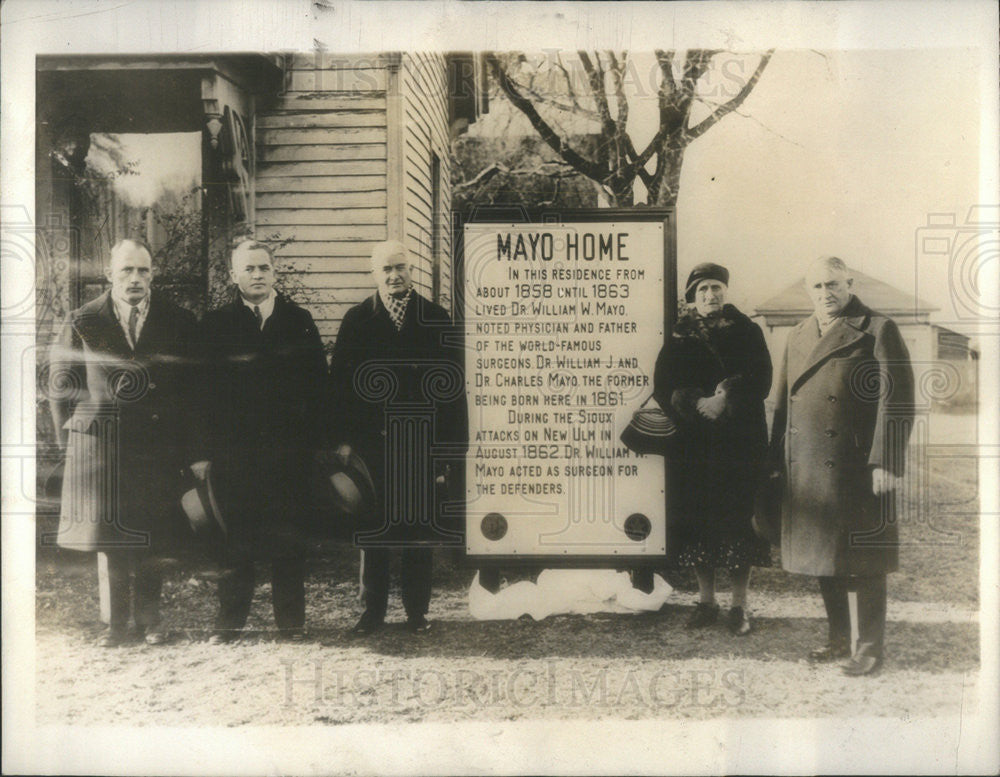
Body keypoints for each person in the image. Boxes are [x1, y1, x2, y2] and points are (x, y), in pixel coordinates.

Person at [48, 238, 199, 647]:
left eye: (143, 270)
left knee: (153, 535)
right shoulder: (83, 319)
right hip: (104, 448)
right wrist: (73, 445)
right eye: (127, 270)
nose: (136, 278)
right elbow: (61, 386)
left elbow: (192, 389)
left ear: (153, 274)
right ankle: (117, 627)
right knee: (113, 540)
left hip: (157, 445)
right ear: (110, 274)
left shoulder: (178, 321)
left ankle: (151, 621)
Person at [769, 256, 914, 675]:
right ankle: (837, 640)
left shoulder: (877, 329)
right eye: (816, 286)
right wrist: (775, 462)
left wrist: (885, 462)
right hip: (808, 468)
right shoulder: (797, 334)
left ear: (849, 283)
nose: (825, 294)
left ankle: (868, 648)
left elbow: (898, 400)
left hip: (857, 467)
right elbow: (782, 403)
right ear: (806, 290)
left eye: (833, 285)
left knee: (864, 560)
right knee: (824, 558)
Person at [328, 240, 468, 635]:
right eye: (386, 270)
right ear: (375, 274)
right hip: (370, 444)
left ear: (412, 270)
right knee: (373, 529)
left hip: (420, 444)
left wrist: (450, 447)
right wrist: (342, 439)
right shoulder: (357, 320)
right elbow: (338, 384)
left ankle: (416, 612)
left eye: (401, 267)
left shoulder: (435, 319)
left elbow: (454, 389)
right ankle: (371, 611)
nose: (394, 276)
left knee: (416, 531)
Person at [195, 239, 327, 643]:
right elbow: (198, 394)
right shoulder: (215, 325)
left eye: (264, 268)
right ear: (234, 275)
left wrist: (316, 446)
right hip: (236, 456)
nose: (257, 275)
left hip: (289, 455)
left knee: (289, 541)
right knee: (236, 542)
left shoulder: (299, 320)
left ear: (274, 273)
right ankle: (229, 625)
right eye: (249, 269)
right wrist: (202, 452)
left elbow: (320, 388)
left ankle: (291, 625)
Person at [654, 262, 773, 635]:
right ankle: (706, 602)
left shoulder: (747, 331)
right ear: (692, 296)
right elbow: (663, 385)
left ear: (726, 291)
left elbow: (763, 379)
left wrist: (725, 398)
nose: (711, 295)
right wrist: (693, 402)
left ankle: (739, 606)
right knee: (698, 523)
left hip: (739, 444)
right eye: (703, 289)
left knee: (738, 522)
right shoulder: (679, 336)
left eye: (717, 288)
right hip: (694, 446)